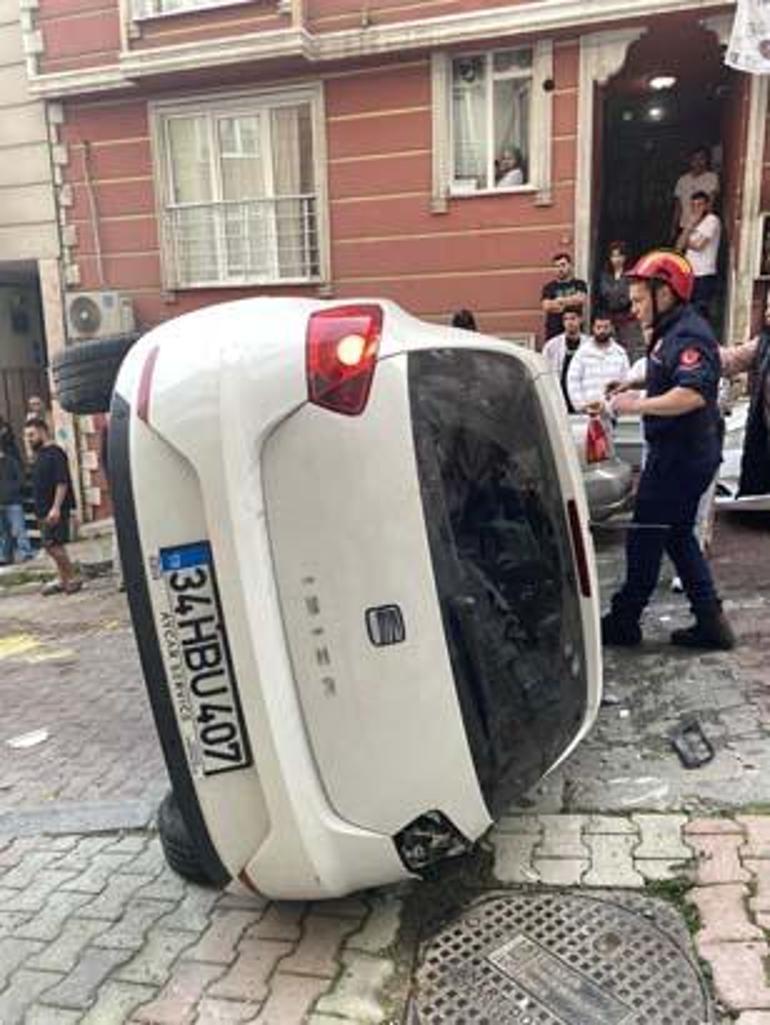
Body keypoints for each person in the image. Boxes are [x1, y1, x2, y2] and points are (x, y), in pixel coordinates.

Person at [602, 249, 734, 651]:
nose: (635, 308)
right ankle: (711, 622)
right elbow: (670, 380)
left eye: (642, 299)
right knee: (677, 535)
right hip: (682, 453)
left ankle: (625, 620)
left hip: (680, 457)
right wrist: (634, 386)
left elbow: (692, 394)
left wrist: (634, 406)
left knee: (647, 534)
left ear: (667, 294)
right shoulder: (672, 331)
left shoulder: (688, 334)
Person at [719, 293, 770, 499]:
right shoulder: (764, 343)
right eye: (766, 306)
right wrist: (699, 346)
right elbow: (731, 360)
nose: (767, 313)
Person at [24, 418, 82, 596]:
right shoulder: (39, 454)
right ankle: (62, 579)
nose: (29, 439)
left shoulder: (55, 453)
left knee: (53, 546)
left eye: (32, 435)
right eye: (27, 436)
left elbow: (62, 482)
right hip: (42, 508)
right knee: (51, 546)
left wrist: (56, 507)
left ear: (43, 431)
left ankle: (72, 578)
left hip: (54, 508)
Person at [566, 313, 630, 414]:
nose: (602, 331)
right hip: (588, 413)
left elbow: (626, 381)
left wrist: (620, 406)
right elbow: (573, 381)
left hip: (614, 413)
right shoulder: (582, 353)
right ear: (593, 328)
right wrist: (581, 406)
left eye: (606, 327)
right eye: (598, 327)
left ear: (611, 328)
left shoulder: (620, 353)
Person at [677, 192, 721, 321]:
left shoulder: (712, 220)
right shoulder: (690, 221)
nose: (696, 208)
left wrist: (686, 235)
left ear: (707, 205)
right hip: (690, 273)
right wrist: (690, 226)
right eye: (693, 205)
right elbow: (678, 246)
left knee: (700, 311)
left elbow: (699, 245)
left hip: (704, 274)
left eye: (700, 204)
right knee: (687, 309)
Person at [595, 241, 644, 357]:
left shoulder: (631, 274)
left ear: (625, 257)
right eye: (613, 256)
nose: (616, 259)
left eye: (619, 255)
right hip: (610, 317)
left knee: (630, 349)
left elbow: (630, 295)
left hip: (628, 317)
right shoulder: (605, 275)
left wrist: (618, 296)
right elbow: (603, 294)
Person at [542, 310, 590, 413]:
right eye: (566, 319)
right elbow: (545, 371)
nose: (569, 322)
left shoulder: (590, 344)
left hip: (583, 394)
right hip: (560, 395)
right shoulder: (552, 346)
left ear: (580, 320)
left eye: (573, 318)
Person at [671, 146, 719, 240]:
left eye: (702, 158)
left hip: (701, 228)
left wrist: (707, 227)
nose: (698, 162)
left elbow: (711, 204)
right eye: (695, 159)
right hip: (683, 225)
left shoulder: (712, 178)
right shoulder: (682, 180)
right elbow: (678, 206)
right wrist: (673, 226)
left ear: (707, 160)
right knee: (680, 253)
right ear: (690, 161)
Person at [541, 253, 588, 342]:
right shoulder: (549, 287)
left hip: (575, 331)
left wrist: (560, 301)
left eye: (563, 265)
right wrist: (570, 301)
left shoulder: (579, 284)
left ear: (570, 266)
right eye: (557, 266)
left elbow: (580, 299)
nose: (560, 269)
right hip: (554, 331)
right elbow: (546, 306)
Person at [0, 446, 33, 565]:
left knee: (19, 529)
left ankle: (26, 553)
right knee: (3, 532)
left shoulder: (11, 462)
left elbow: (21, 479)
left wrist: (12, 490)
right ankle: (4, 557)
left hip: (13, 501)